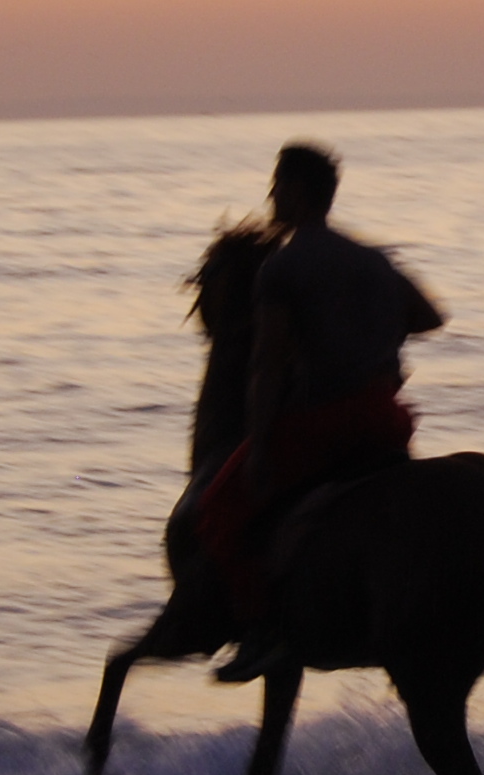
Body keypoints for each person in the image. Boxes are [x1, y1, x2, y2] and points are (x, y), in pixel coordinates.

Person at [187, 143, 443, 679]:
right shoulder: (373, 260)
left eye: (276, 187)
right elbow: (429, 316)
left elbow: (266, 370)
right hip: (387, 419)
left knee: (217, 510)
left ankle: (262, 633)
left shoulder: (283, 268)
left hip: (326, 423)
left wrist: (258, 448)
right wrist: (371, 332)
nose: (270, 197)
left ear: (297, 192)